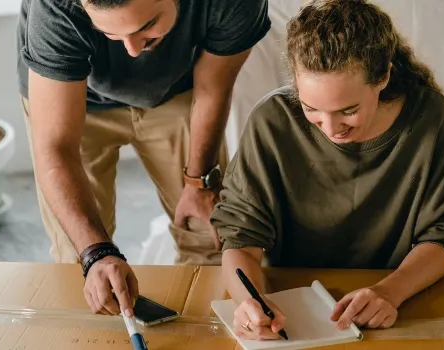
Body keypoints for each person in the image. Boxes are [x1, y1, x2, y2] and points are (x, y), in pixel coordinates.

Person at [210, 0, 444, 340]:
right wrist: (250, 302)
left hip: (394, 302)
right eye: (311, 109)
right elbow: (240, 238)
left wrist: (389, 292)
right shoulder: (271, 121)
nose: (331, 128)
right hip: (289, 310)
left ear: (382, 78)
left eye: (348, 110)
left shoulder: (429, 116)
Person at [15, 0, 271, 318]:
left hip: (177, 91)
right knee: (81, 259)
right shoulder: (55, 8)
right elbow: (56, 147)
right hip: (71, 98)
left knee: (210, 237)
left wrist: (198, 180)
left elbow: (213, 87)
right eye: (109, 32)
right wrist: (97, 254)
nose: (132, 50)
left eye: (146, 26)